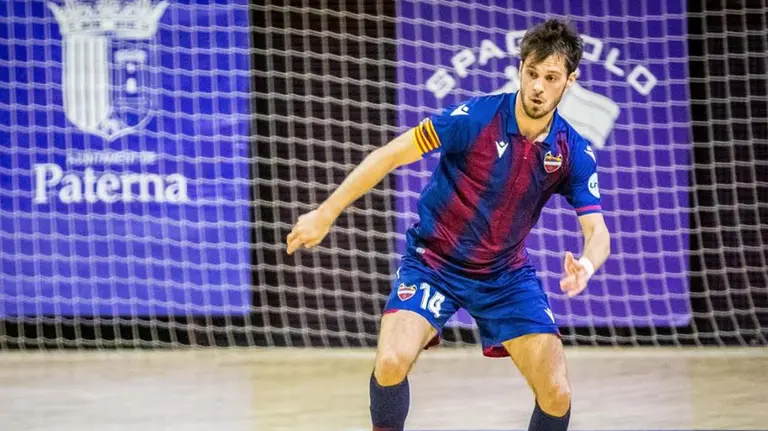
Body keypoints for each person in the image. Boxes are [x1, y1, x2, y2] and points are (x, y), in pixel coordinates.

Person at [286, 18, 611, 431]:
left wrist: (586, 265)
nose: (538, 87)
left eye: (551, 77)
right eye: (532, 73)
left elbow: (597, 232)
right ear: (520, 68)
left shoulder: (571, 151)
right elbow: (390, 154)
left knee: (557, 393)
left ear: (570, 81)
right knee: (390, 362)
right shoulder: (473, 118)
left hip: (504, 276)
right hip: (433, 263)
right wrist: (325, 212)